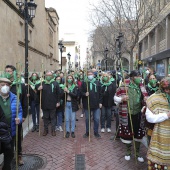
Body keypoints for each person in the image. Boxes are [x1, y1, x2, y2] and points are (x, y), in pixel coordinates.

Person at [114, 70, 148, 162]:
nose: (139, 78)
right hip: (127, 113)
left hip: (138, 114)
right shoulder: (124, 86)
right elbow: (115, 98)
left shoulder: (142, 87)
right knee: (127, 133)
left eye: (140, 76)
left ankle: (137, 153)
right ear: (132, 77)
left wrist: (145, 100)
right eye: (137, 76)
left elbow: (145, 100)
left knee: (138, 134)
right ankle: (128, 151)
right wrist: (122, 98)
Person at [146, 77, 170, 170]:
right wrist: (166, 115)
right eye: (165, 89)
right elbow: (150, 118)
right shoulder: (154, 98)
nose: (167, 91)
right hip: (159, 135)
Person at [5, 65, 27, 165]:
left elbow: (24, 101)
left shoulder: (20, 85)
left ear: (14, 72)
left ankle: (19, 156)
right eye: (6, 71)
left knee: (17, 137)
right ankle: (8, 158)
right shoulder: (3, 85)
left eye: (9, 71)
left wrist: (23, 115)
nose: (7, 73)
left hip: (17, 116)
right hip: (5, 117)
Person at [0, 78, 22, 170]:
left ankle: (6, 167)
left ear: (10, 86)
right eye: (2, 84)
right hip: (0, 130)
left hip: (10, 130)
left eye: (7, 85)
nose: (5, 86)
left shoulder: (15, 98)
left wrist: (19, 119)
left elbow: (20, 111)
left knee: (9, 152)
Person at [36, 71, 60, 136]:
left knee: (53, 118)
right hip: (45, 104)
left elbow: (58, 93)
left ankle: (53, 130)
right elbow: (38, 93)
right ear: (45, 76)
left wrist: (58, 102)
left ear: (52, 76)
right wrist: (39, 89)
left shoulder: (55, 83)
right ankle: (45, 130)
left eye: (50, 75)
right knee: (45, 118)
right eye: (47, 75)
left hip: (53, 104)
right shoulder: (42, 83)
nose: (48, 76)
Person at [81, 70, 102, 138]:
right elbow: (80, 92)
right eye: (88, 74)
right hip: (87, 104)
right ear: (87, 75)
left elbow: (100, 93)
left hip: (96, 104)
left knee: (96, 119)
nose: (90, 75)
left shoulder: (97, 82)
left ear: (93, 75)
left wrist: (100, 102)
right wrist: (84, 94)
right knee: (87, 119)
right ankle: (87, 132)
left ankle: (96, 132)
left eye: (91, 74)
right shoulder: (84, 83)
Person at [145, 74, 159, 145]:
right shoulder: (146, 88)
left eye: (154, 78)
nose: (153, 80)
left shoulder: (159, 88)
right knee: (150, 131)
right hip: (150, 111)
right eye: (151, 79)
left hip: (158, 112)